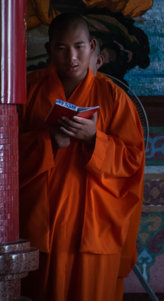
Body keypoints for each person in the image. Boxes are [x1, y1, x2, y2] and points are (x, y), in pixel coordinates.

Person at [19, 13, 145, 301]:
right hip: (42, 228)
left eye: (78, 47)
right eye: (62, 48)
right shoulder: (28, 92)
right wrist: (47, 141)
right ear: (50, 50)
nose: (71, 57)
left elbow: (132, 162)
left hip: (94, 229)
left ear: (92, 47)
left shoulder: (114, 98)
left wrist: (94, 140)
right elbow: (6, 158)